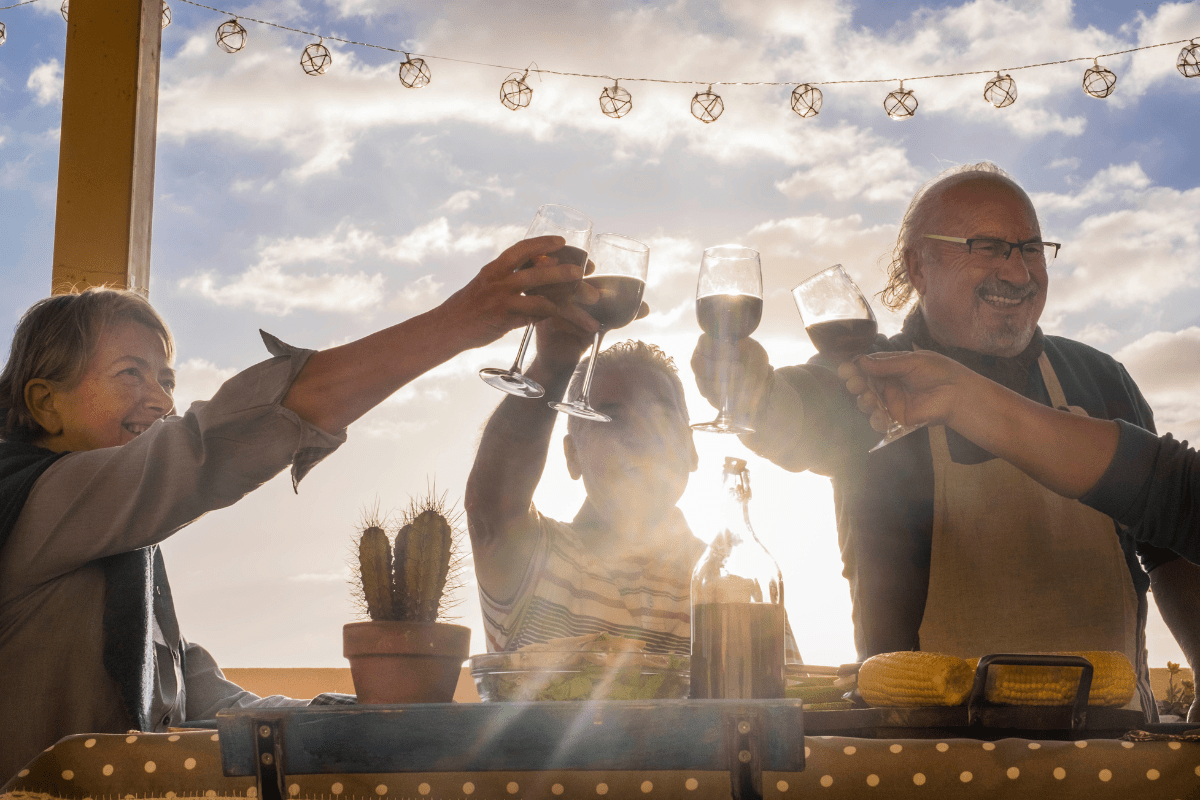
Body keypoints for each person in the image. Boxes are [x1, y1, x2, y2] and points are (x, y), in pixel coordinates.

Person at [0, 235, 592, 780]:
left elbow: (214, 705)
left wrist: (367, 718)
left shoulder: (125, 562)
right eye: (130, 374)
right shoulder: (37, 504)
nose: (159, 400)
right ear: (45, 403)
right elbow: (207, 452)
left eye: (165, 379)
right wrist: (465, 318)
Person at [692, 162, 1199, 718]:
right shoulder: (875, 380)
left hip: (1112, 746)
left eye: (1030, 248)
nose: (1017, 272)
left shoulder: (1102, 378)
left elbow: (1171, 551)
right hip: (930, 753)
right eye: (987, 247)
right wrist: (749, 390)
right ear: (918, 264)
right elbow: (796, 412)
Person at [846, 349, 1200, 723]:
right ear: (917, 284)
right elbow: (1172, 491)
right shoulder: (876, 380)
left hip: (1117, 739)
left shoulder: (1102, 375)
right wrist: (777, 403)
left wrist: (959, 395)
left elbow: (1173, 503)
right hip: (941, 747)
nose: (1018, 284)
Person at [465, 313, 800, 658]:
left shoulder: (738, 583)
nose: (641, 434)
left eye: (661, 417)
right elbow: (491, 504)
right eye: (611, 417)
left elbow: (788, 702)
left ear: (692, 450)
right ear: (572, 456)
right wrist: (552, 365)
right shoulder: (534, 557)